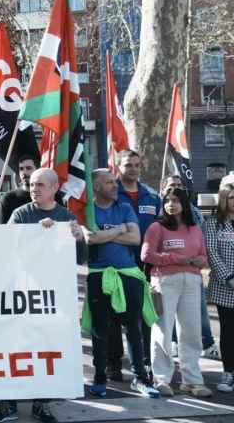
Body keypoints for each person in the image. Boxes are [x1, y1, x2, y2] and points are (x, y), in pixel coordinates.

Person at [0, 168, 86, 423]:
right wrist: (33, 235)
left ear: (54, 188)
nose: (34, 189)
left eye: (40, 185)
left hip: (52, 297)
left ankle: (41, 403)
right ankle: (8, 404)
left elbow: (82, 259)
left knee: (45, 349)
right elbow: (5, 248)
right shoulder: (21, 214)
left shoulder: (65, 216)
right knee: (14, 349)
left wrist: (78, 238)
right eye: (32, 185)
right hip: (21, 294)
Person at [83, 168, 158, 400]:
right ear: (96, 187)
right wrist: (120, 229)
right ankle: (100, 379)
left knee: (134, 329)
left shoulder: (124, 207)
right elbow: (90, 238)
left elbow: (135, 238)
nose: (115, 186)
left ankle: (140, 378)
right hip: (98, 277)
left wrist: (106, 234)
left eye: (115, 182)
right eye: (109, 183)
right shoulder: (88, 210)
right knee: (101, 330)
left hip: (128, 275)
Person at [140, 187, 211, 398]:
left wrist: (201, 261)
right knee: (162, 329)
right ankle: (161, 379)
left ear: (185, 204)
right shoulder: (156, 227)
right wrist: (175, 259)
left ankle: (192, 381)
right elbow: (146, 255)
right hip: (162, 282)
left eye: (176, 200)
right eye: (167, 200)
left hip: (192, 281)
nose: (171, 204)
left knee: (191, 330)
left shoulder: (195, 228)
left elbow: (203, 256)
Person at [109, 150, 161, 380]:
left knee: (144, 315)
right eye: (128, 165)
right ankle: (114, 363)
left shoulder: (152, 196)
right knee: (114, 315)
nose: (133, 169)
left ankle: (146, 362)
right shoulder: (111, 194)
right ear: (118, 166)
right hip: (116, 262)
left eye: (137, 165)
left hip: (145, 266)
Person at [162, 175, 217, 357]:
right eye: (172, 185)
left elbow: (201, 240)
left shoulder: (194, 212)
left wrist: (199, 259)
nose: (177, 188)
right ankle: (173, 342)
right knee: (168, 310)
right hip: (167, 273)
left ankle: (207, 342)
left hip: (192, 271)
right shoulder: (160, 213)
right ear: (164, 189)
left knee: (199, 309)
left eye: (180, 185)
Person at [203, 182, 234, 393]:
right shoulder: (213, 223)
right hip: (226, 286)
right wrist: (230, 279)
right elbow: (212, 254)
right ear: (224, 200)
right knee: (228, 332)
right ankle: (228, 373)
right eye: (231, 197)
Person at [0, 155, 37, 224]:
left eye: (28, 168)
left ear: (37, 170)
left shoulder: (51, 195)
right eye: (21, 169)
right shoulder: (8, 198)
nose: (24, 172)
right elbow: (4, 229)